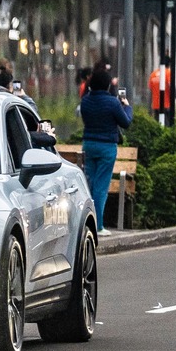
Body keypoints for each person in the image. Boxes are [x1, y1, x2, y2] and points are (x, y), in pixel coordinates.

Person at [78, 68, 132, 233]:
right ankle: (98, 226)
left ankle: (86, 223)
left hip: (89, 145)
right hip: (107, 148)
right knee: (101, 188)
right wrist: (127, 108)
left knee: (90, 185)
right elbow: (126, 122)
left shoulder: (85, 101)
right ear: (108, 85)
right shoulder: (113, 103)